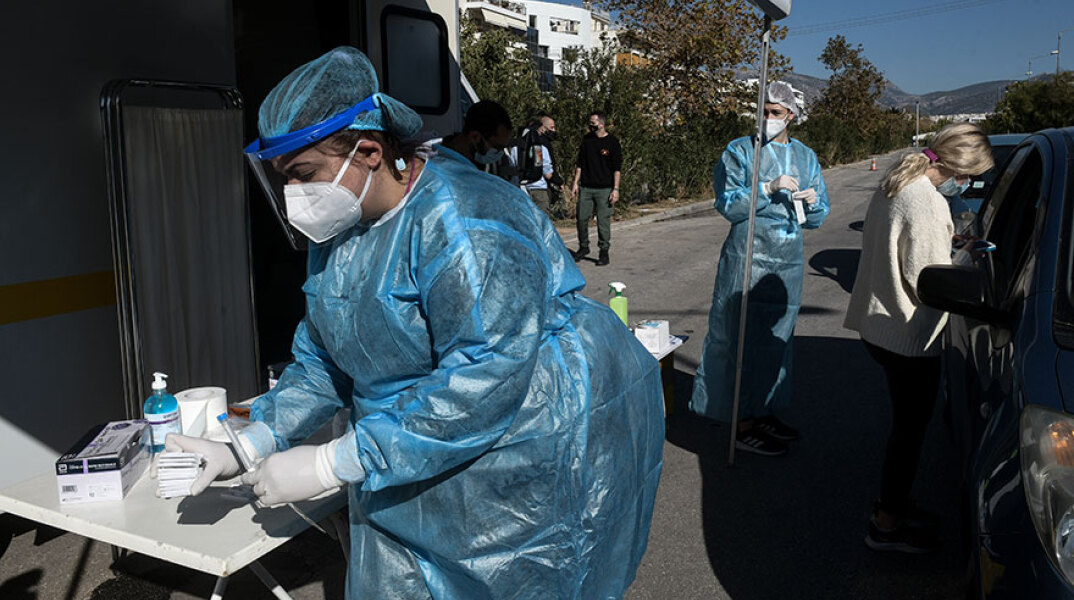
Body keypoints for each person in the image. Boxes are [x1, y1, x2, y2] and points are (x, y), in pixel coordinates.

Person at [159, 47, 665, 599]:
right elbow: (324, 357)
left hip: (517, 450)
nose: (295, 196)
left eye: (303, 174)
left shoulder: (466, 221)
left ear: (369, 150)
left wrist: (337, 460)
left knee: (510, 578)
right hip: (403, 451)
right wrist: (250, 441)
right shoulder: (341, 228)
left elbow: (487, 373)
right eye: (285, 179)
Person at [844, 123, 993, 553]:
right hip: (907, 333)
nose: (969, 185)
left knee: (904, 426)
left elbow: (903, 247)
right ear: (959, 169)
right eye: (972, 176)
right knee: (909, 433)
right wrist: (961, 259)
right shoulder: (925, 201)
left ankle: (896, 504)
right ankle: (887, 523)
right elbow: (927, 277)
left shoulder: (899, 180)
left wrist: (951, 242)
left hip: (880, 324)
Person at [689, 81, 830, 457]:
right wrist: (766, 188)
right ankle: (741, 421)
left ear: (792, 116)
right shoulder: (740, 151)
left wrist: (813, 203)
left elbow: (817, 217)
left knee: (776, 342)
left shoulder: (806, 157)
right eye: (763, 111)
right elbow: (728, 205)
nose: (768, 119)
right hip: (747, 256)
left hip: (787, 261)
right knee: (740, 340)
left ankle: (763, 410)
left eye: (776, 113)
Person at [571, 112, 622, 266]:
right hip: (586, 187)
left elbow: (617, 169)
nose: (590, 125)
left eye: (593, 122)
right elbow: (580, 164)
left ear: (601, 124)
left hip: (604, 189)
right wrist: (575, 183)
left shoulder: (612, 142)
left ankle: (604, 251)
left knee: (603, 221)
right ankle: (584, 247)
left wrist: (616, 189)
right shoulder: (587, 140)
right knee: (581, 218)